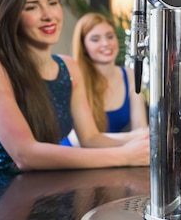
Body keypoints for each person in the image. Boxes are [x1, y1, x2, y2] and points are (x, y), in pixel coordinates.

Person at [0, 0, 149, 191]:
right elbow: (25, 154)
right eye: (31, 7)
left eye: (52, 2)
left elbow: (90, 138)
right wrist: (124, 156)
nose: (48, 15)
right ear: (10, 16)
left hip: (40, 189)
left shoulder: (69, 66)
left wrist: (144, 141)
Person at [61, 12, 148, 146]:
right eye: (95, 39)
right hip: (74, 158)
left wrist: (103, 139)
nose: (105, 43)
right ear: (83, 46)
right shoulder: (73, 76)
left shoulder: (130, 75)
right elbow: (80, 141)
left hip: (114, 156)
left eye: (110, 36)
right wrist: (131, 138)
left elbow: (141, 131)